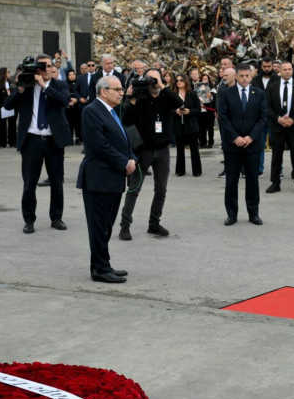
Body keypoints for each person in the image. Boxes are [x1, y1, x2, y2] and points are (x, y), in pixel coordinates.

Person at [77, 75, 137, 283]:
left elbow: (121, 139)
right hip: (98, 178)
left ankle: (104, 264)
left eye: (122, 89)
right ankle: (99, 269)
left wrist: (131, 158)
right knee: (99, 226)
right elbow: (99, 145)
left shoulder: (110, 111)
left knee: (107, 225)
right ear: (104, 91)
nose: (122, 92)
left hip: (112, 178)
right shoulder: (92, 111)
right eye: (117, 89)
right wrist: (124, 162)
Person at [3, 54, 72, 234]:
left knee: (57, 182)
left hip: (53, 140)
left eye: (50, 66)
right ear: (36, 69)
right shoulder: (26, 86)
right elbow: (7, 106)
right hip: (32, 140)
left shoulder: (59, 85)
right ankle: (29, 220)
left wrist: (44, 86)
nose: (48, 69)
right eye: (43, 66)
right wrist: (19, 88)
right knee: (29, 183)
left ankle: (56, 218)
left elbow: (64, 101)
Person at [119, 68, 184, 240]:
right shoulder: (140, 98)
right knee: (134, 188)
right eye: (150, 80)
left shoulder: (165, 96)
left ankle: (154, 223)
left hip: (162, 150)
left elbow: (179, 103)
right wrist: (131, 98)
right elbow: (125, 119)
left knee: (161, 189)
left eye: (156, 79)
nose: (153, 83)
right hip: (143, 151)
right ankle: (125, 226)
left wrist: (162, 86)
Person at [218, 63, 268, 226]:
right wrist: (235, 137)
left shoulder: (259, 94)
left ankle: (254, 213)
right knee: (231, 180)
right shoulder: (226, 93)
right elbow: (223, 118)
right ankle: (231, 214)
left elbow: (263, 118)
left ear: (251, 76)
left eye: (248, 75)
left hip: (252, 145)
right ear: (236, 76)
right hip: (232, 145)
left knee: (252, 180)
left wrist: (251, 137)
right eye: (242, 76)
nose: (245, 78)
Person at [265, 61, 294, 194]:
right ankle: (275, 183)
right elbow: (267, 106)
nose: (287, 71)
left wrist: (293, 120)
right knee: (276, 155)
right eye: (284, 69)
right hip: (277, 126)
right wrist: (278, 118)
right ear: (280, 71)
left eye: (290, 69)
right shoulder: (272, 86)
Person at [173, 74, 202, 176]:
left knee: (194, 149)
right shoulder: (173, 94)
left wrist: (189, 111)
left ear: (185, 81)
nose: (179, 82)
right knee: (179, 149)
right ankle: (180, 170)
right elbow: (168, 110)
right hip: (178, 125)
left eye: (181, 80)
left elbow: (198, 110)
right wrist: (176, 111)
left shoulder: (192, 94)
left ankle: (197, 171)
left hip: (191, 125)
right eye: (177, 80)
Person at [0, 67, 17, 148]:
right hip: (2, 106)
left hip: (11, 105)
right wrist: (6, 92)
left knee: (12, 124)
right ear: (3, 74)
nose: (9, 74)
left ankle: (12, 142)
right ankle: (2, 143)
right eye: (8, 72)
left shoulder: (12, 82)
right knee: (2, 125)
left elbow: (15, 92)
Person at [198, 73, 216, 149]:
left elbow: (214, 99)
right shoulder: (198, 87)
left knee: (210, 128)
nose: (205, 80)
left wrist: (210, 95)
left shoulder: (212, 88)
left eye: (206, 78)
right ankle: (202, 142)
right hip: (201, 110)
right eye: (203, 79)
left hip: (210, 110)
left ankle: (211, 142)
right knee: (202, 127)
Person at [65, 69, 83, 145]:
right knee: (69, 123)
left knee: (78, 124)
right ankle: (69, 139)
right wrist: (69, 100)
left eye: (73, 74)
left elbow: (81, 93)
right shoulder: (65, 84)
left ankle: (78, 139)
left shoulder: (79, 83)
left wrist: (77, 99)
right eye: (70, 75)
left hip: (77, 106)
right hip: (68, 107)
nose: (72, 76)